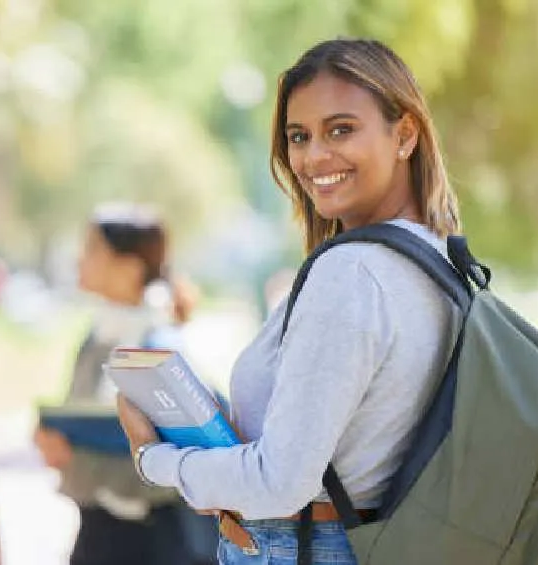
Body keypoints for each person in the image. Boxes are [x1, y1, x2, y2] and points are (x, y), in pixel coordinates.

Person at [116, 38, 462, 565]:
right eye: (299, 136)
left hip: (302, 548)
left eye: (341, 129)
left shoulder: (351, 274)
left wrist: (154, 458)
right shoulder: (439, 258)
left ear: (405, 134)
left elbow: (279, 483)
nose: (314, 156)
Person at [34, 203, 217, 565]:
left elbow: (184, 463)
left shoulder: (161, 345)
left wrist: (75, 459)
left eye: (92, 250)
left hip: (156, 541)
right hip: (99, 532)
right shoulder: (97, 336)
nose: (78, 260)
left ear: (129, 268)